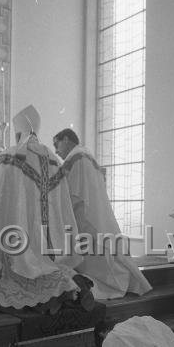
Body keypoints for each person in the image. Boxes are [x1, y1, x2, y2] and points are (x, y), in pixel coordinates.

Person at [0, 106, 93, 311]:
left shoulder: (10, 156)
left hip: (21, 232)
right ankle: (72, 282)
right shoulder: (54, 159)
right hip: (52, 238)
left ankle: (54, 296)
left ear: (18, 132)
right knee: (50, 262)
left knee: (21, 270)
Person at [53, 128, 152, 299]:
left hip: (83, 215)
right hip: (95, 212)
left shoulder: (75, 158)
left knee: (94, 255)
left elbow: (70, 192)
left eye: (57, 144)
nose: (56, 150)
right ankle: (119, 281)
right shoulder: (87, 156)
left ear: (67, 139)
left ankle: (107, 285)